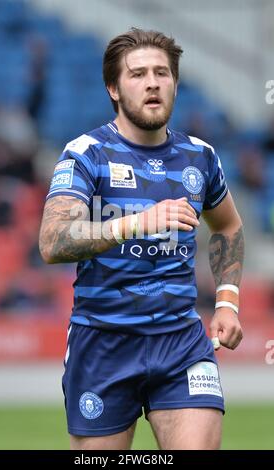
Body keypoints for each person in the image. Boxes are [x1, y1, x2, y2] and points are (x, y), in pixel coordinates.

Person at [39, 28, 244, 450]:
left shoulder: (200, 157)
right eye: (137, 74)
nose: (152, 82)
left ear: (175, 84)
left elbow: (228, 225)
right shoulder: (86, 154)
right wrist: (135, 223)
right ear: (113, 88)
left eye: (162, 73)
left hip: (181, 343)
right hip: (102, 343)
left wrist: (227, 302)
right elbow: (53, 240)